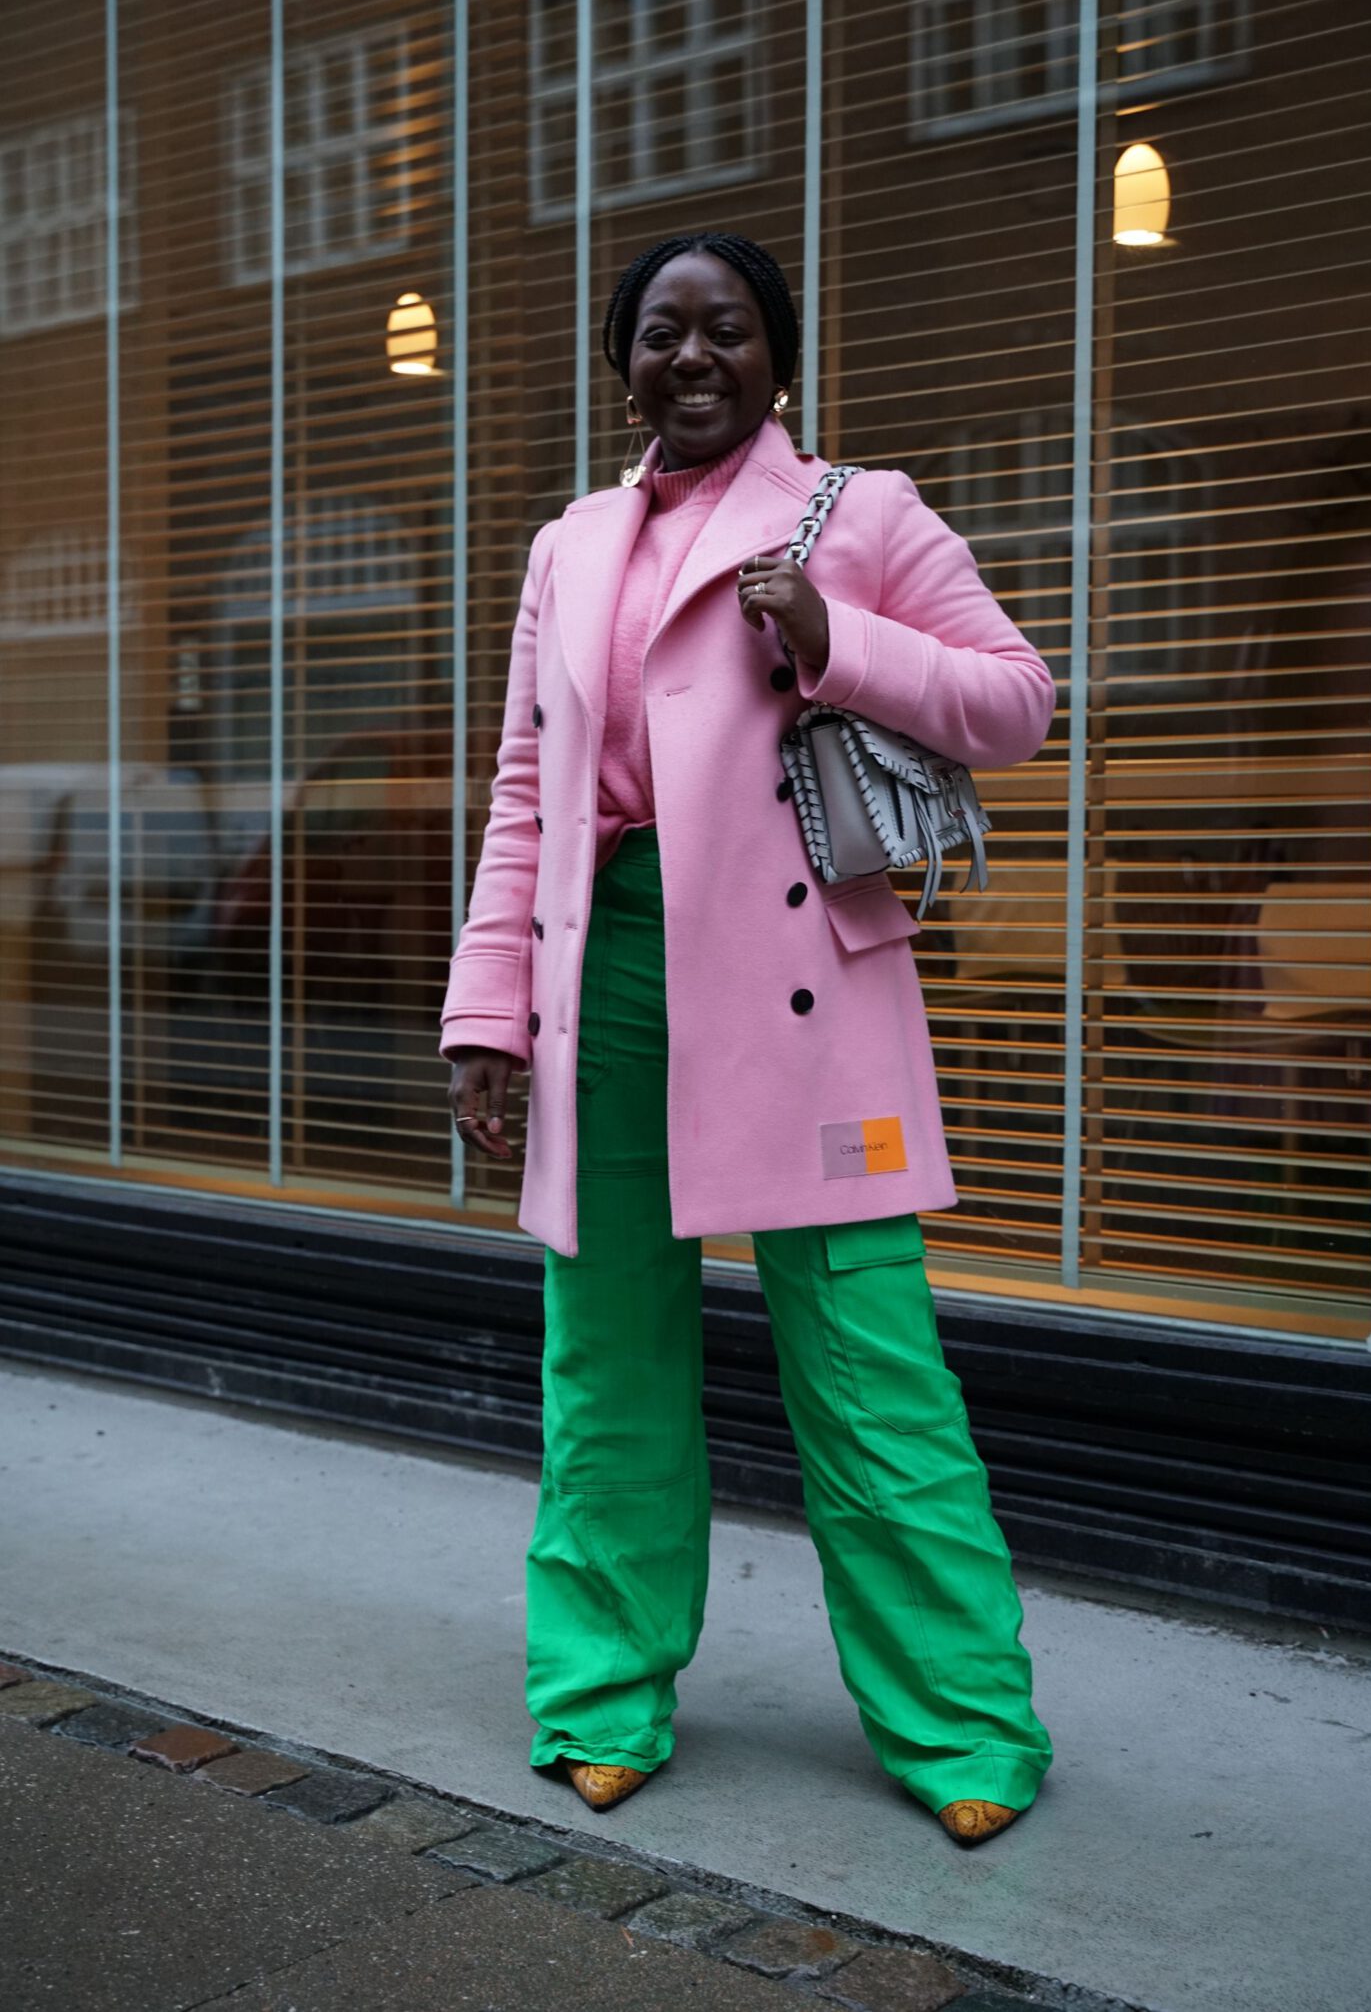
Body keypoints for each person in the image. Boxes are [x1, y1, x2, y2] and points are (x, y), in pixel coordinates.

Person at [441, 232, 1056, 1848]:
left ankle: (966, 1726)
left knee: (869, 1365)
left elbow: (1015, 700)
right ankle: (599, 1692)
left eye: (726, 331)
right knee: (608, 1354)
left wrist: (839, 639)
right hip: (610, 970)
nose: (692, 357)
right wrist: (486, 1011)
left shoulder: (859, 515)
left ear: (778, 359)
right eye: (660, 333)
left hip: (803, 990)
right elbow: (527, 795)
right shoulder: (570, 543)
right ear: (621, 361)